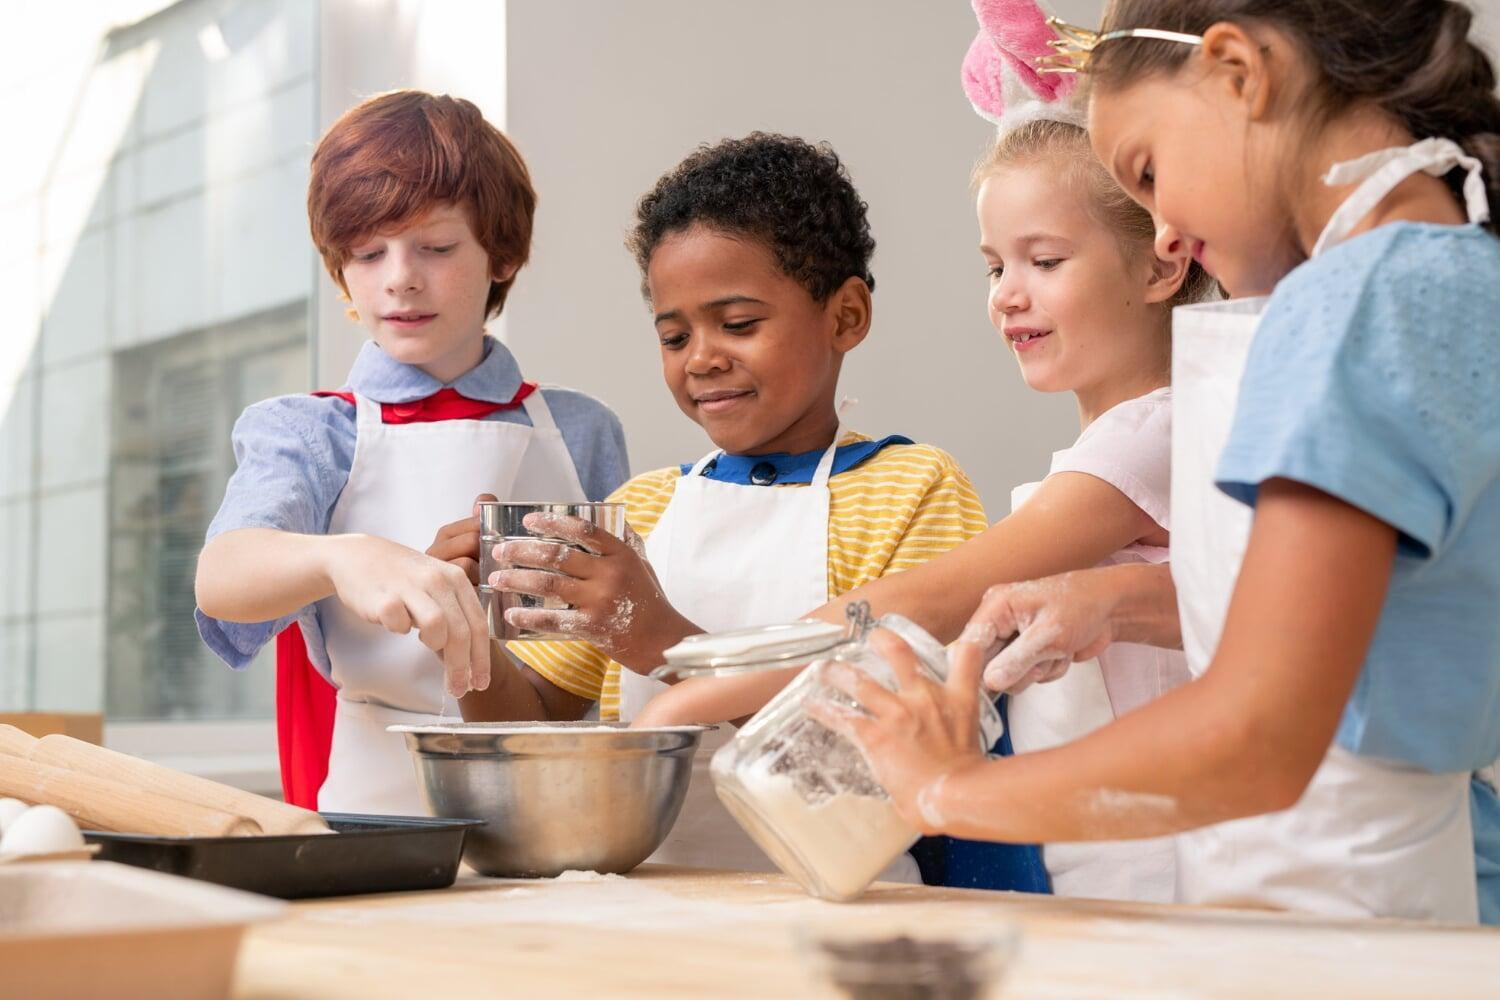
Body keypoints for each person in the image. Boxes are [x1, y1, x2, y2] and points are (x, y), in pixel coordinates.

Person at [815, 0, 1500, 925]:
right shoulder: (1449, 273)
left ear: (1239, 74)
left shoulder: (1354, 307)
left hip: (1338, 930)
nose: (1167, 235)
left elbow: (1260, 735)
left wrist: (947, 788)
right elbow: (1370, 617)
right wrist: (1118, 601)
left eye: (1148, 172)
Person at [635, 0, 1211, 902]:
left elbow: (930, 600)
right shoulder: (1112, 448)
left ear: (1161, 264)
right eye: (995, 266)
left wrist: (688, 698)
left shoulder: (1156, 436)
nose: (1008, 297)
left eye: (1044, 262)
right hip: (1107, 870)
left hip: (1163, 874)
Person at [435, 133, 989, 875]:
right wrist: (463, 635)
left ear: (846, 317)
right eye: (674, 334)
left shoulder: (913, 490)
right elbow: (535, 732)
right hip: (649, 913)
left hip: (849, 910)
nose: (701, 358)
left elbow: (883, 756)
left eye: (739, 324)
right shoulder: (643, 508)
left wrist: (658, 641)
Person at [194, 91, 627, 815]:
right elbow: (222, 578)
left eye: (436, 246)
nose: (399, 277)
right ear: (340, 269)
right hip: (371, 804)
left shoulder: (582, 430)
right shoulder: (308, 433)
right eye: (369, 252)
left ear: (505, 253)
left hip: (555, 803)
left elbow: (619, 643)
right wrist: (345, 556)